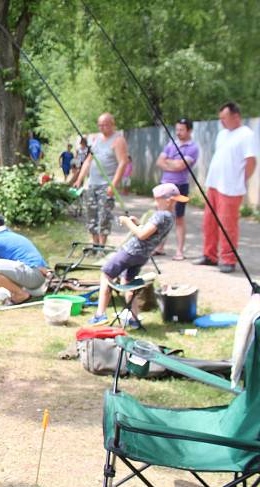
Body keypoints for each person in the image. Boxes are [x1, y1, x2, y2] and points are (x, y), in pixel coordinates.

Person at [89, 184, 188, 326]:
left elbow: (141, 235)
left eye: (157, 200)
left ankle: (100, 314)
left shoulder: (161, 215)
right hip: (142, 256)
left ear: (167, 201)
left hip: (130, 252)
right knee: (128, 283)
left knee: (106, 274)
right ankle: (134, 318)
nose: (155, 203)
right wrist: (138, 223)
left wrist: (127, 222)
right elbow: (150, 233)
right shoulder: (171, 216)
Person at [194, 102, 257, 273]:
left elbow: (251, 161)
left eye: (224, 118)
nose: (221, 121)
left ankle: (228, 259)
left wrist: (241, 181)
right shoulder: (222, 134)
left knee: (227, 225)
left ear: (236, 116)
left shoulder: (246, 134)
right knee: (209, 222)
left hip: (231, 188)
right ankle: (210, 255)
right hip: (213, 184)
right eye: (220, 118)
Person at [72, 113, 129, 247]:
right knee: (91, 214)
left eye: (105, 125)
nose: (102, 127)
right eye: (100, 125)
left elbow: (123, 163)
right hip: (92, 184)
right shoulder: (96, 139)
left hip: (106, 184)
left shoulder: (118, 140)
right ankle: (95, 244)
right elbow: (88, 161)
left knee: (104, 214)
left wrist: (113, 185)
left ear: (112, 125)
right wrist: (79, 179)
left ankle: (102, 245)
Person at [153, 118, 200, 260]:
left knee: (179, 218)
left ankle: (180, 251)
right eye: (177, 129)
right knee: (161, 217)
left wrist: (169, 163)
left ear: (189, 130)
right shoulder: (171, 144)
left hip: (180, 186)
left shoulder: (193, 147)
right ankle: (159, 247)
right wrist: (172, 164)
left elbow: (181, 166)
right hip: (164, 185)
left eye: (181, 130)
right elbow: (159, 162)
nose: (178, 132)